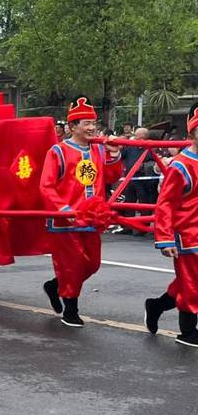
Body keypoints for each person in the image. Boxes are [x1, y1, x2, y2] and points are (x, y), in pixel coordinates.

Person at [40, 97, 122, 327]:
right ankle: (70, 309)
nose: (91, 127)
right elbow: (46, 186)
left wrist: (114, 154)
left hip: (92, 220)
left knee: (92, 264)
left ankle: (55, 286)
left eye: (93, 123)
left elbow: (112, 177)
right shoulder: (58, 151)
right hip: (65, 221)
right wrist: (64, 209)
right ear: (72, 126)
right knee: (72, 265)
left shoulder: (97, 149)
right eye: (86, 123)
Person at [144, 105, 198, 347]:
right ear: (193, 132)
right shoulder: (180, 165)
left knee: (187, 284)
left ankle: (156, 305)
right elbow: (165, 205)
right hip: (187, 235)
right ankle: (187, 331)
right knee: (192, 286)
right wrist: (165, 238)